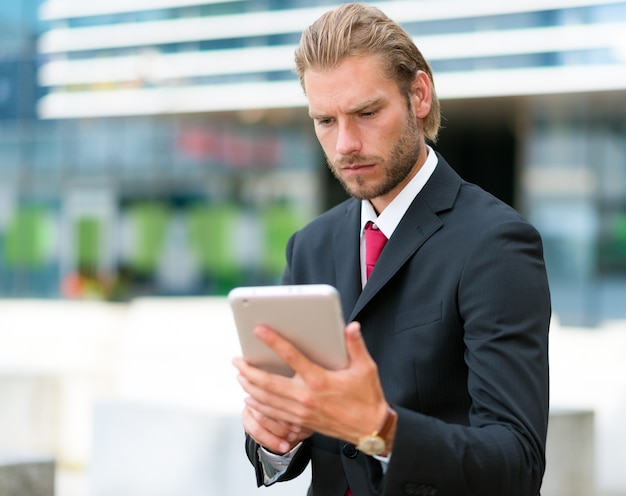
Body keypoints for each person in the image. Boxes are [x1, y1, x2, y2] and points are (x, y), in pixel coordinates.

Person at [232, 3, 551, 496]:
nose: (345, 145)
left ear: (418, 95)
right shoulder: (309, 246)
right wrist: (278, 440)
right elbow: (289, 443)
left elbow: (517, 464)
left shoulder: (497, 243)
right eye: (325, 121)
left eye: (366, 113)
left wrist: (382, 430)